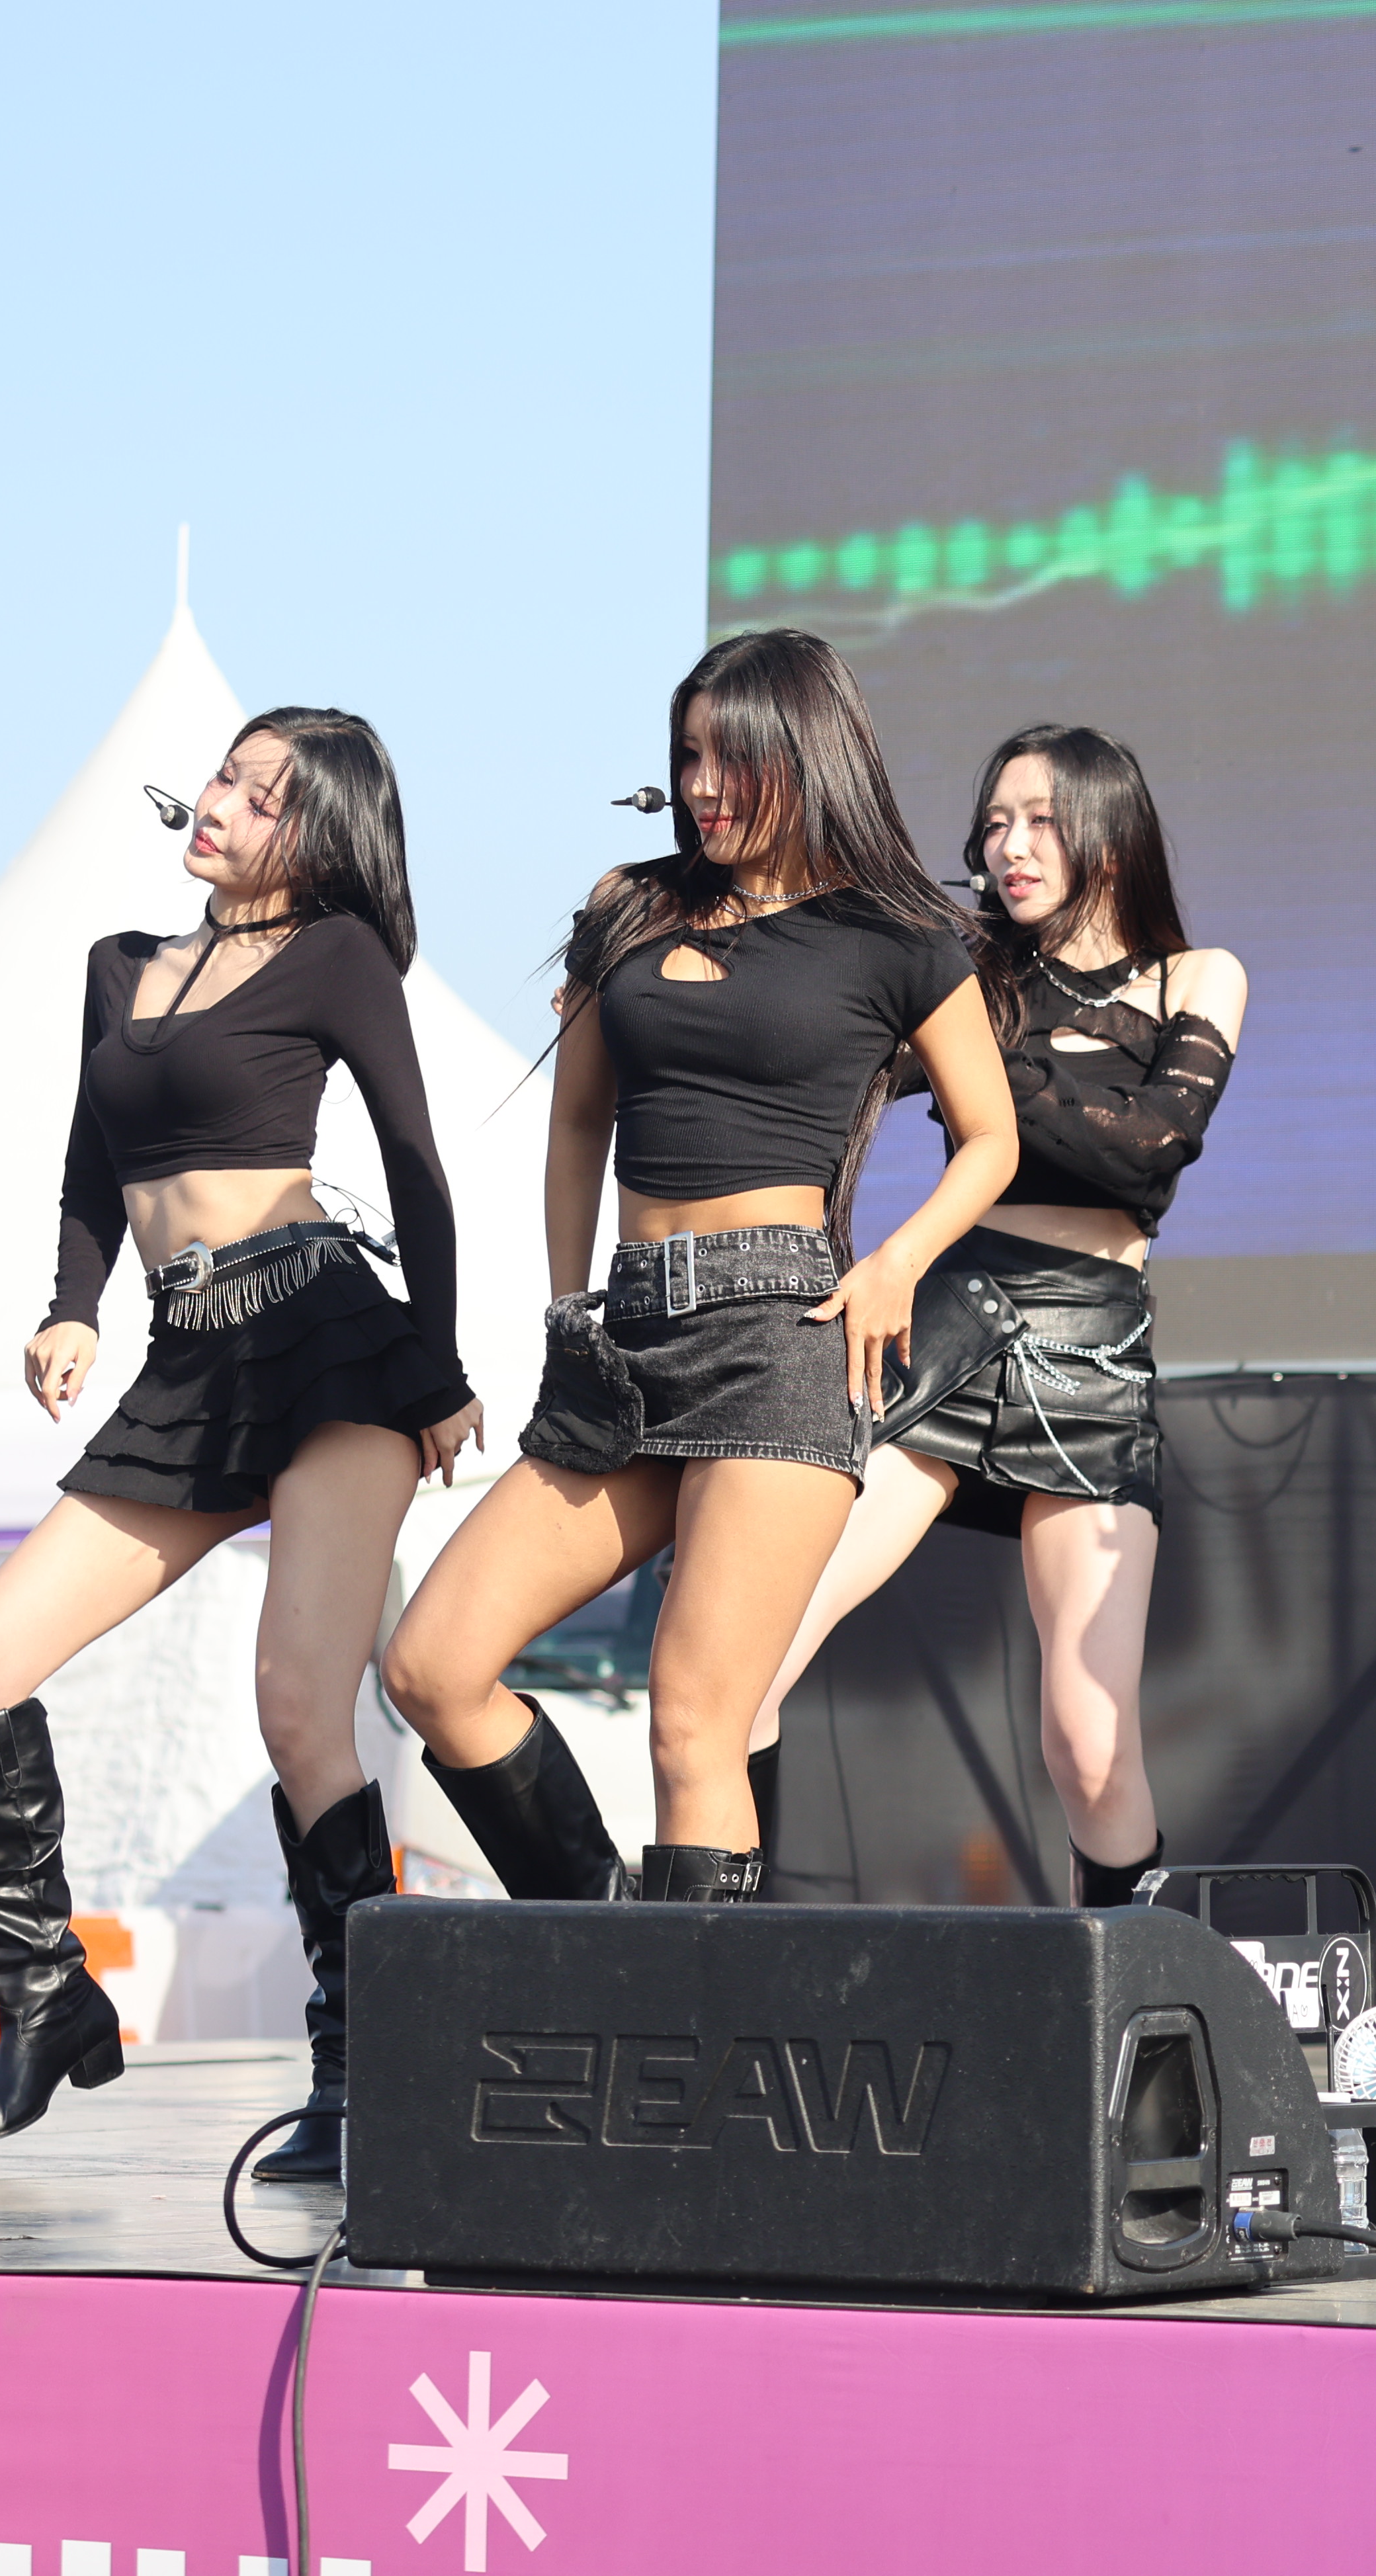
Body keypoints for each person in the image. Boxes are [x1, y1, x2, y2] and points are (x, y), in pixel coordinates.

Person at [0, 709, 476, 2177]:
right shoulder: (120, 965)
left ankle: (359, 2067)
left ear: (321, 833)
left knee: (298, 1709)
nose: (223, 800)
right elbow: (90, 1160)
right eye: (226, 772)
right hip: (186, 1358)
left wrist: (435, 1364)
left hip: (327, 1342)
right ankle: (47, 1999)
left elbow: (415, 1162)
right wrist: (72, 1308)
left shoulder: (337, 957)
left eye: (264, 794)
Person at [380, 630, 1018, 1903]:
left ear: (807, 754)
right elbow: (577, 1126)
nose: (702, 785)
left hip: (782, 1334)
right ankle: (609, 1934)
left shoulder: (896, 934)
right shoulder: (629, 903)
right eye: (687, 756)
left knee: (692, 1723)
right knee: (432, 1665)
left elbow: (990, 1137)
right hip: (623, 1336)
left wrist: (897, 1263)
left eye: (732, 758)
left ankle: (683, 2021)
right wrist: (570, 1306)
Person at [742, 725, 1247, 1903]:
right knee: (752, 1651)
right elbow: (817, 1046)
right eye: (995, 824)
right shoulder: (967, 971)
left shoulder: (1195, 976)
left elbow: (1148, 1147)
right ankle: (726, 1950)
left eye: (1040, 822)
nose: (1009, 847)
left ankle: (1139, 2003)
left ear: (1108, 837)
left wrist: (983, 1069)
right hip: (948, 1325)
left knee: (1090, 1746)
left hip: (1092, 1349)